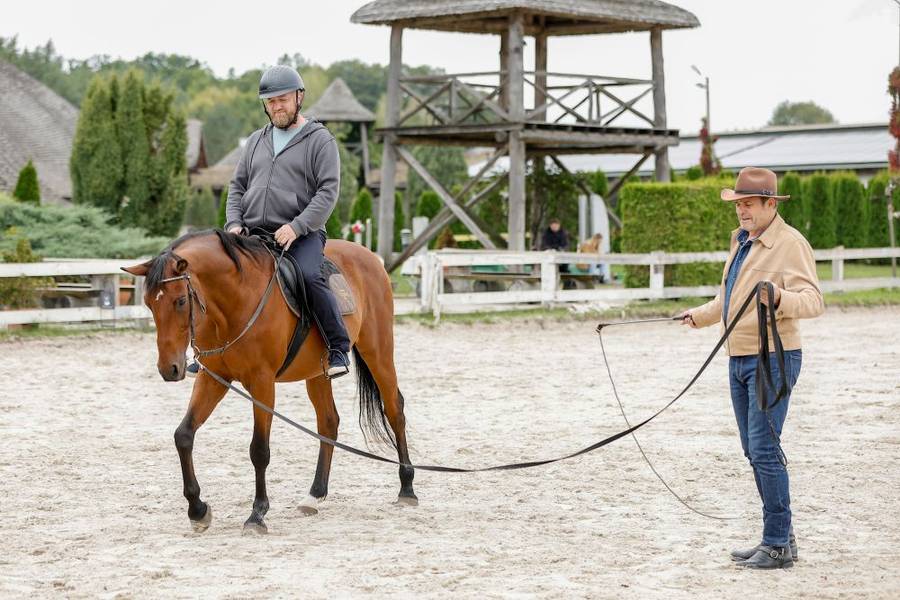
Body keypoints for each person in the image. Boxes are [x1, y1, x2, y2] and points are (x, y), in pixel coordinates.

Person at [681, 167, 824, 569]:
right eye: (738, 204)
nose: (742, 211)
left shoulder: (790, 244)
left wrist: (779, 298)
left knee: (763, 448)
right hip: (738, 355)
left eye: (748, 204)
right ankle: (782, 537)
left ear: (770, 204)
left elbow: (813, 301)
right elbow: (729, 298)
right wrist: (699, 316)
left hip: (774, 357)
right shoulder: (741, 242)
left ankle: (776, 542)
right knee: (753, 448)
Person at [190, 64, 350, 379]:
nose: (277, 106)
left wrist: (297, 227)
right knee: (216, 276)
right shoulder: (255, 141)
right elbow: (237, 187)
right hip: (251, 234)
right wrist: (233, 223)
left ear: (299, 97)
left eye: (283, 99)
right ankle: (206, 352)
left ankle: (338, 347)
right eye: (271, 101)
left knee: (309, 276)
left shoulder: (320, 141)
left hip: (301, 234)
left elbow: (328, 192)